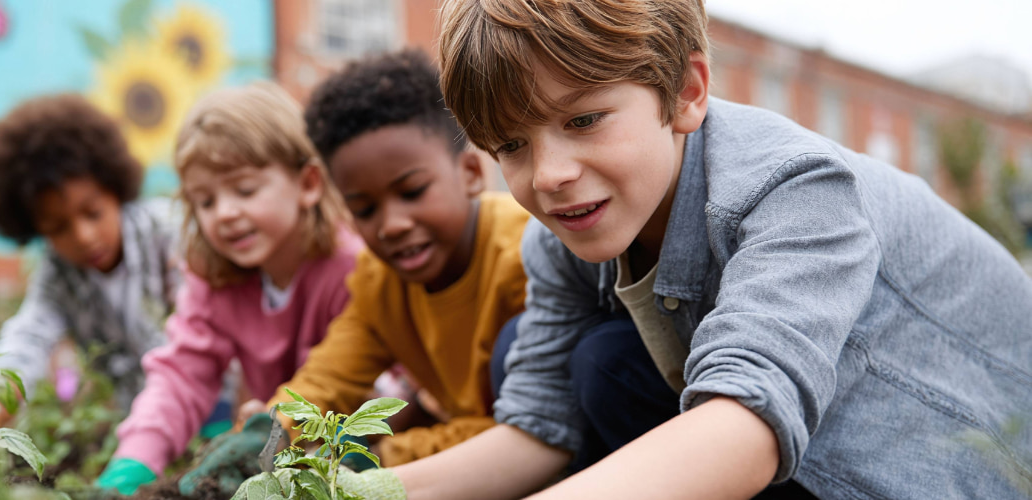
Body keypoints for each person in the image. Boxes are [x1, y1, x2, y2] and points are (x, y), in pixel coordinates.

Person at [361, 1, 1032, 499]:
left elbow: (745, 424)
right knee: (565, 359)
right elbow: (541, 428)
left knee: (610, 367)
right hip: (777, 435)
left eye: (583, 119)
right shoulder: (560, 234)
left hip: (950, 459)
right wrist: (348, 492)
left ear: (685, 92)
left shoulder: (793, 188)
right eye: (511, 145)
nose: (548, 174)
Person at [231, 49, 530, 467]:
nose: (392, 224)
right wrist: (271, 430)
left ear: (470, 173)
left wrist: (375, 456)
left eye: (412, 192)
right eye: (365, 209)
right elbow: (328, 377)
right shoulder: (379, 281)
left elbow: (525, 429)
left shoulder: (526, 255)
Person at [93, 82, 364, 495]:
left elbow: (380, 386)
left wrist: (282, 424)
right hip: (268, 445)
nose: (225, 213)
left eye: (245, 190)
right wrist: (134, 462)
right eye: (205, 201)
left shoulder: (350, 268)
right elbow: (182, 375)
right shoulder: (216, 280)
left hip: (353, 450)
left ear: (308, 183)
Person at [0, 94, 181, 428]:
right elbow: (27, 339)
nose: (84, 236)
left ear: (115, 187)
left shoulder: (168, 232)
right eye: (58, 227)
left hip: (215, 410)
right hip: (141, 427)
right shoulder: (58, 274)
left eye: (93, 212)